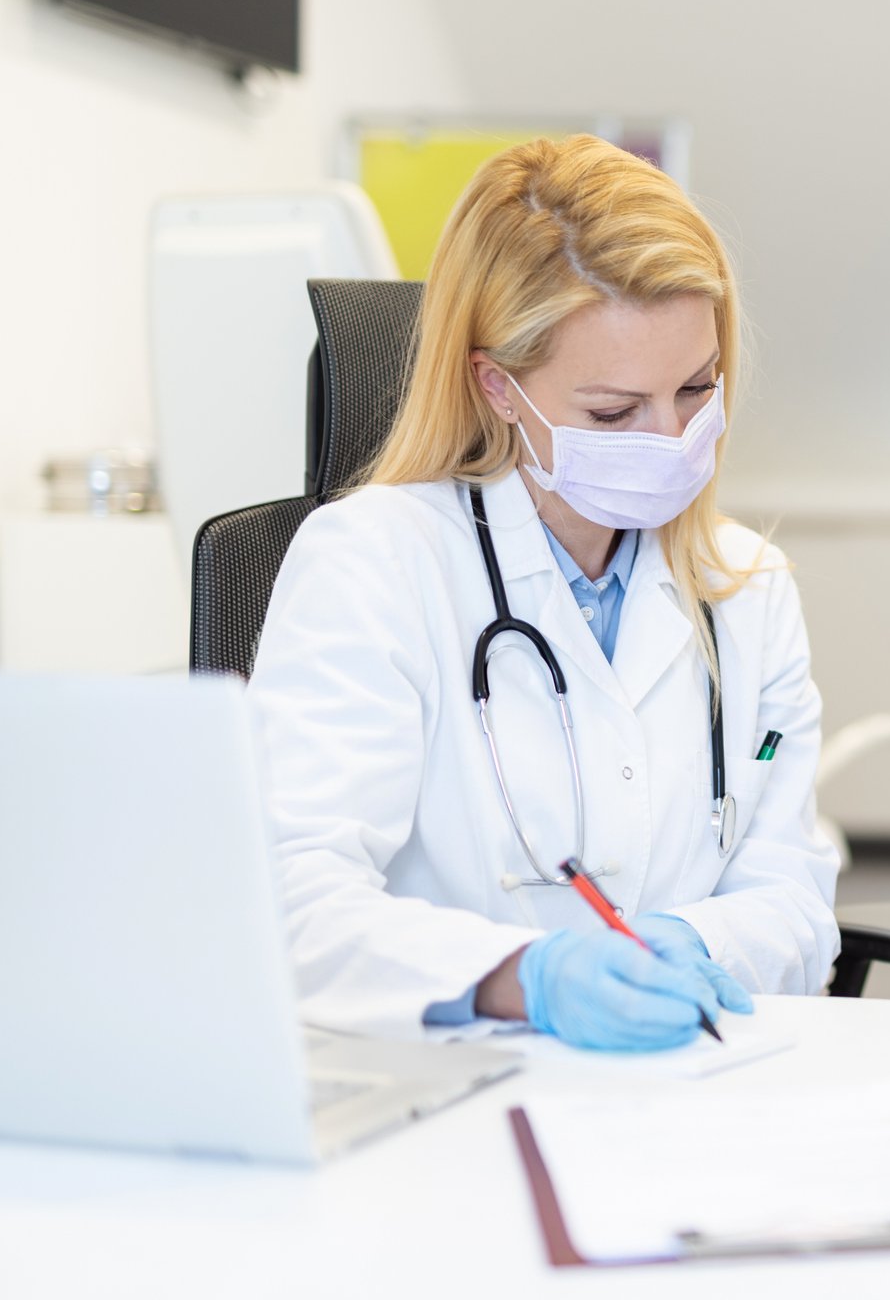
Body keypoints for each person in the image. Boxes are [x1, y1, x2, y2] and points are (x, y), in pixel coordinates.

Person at [249, 135, 839, 1050]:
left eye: (696, 388)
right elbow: (290, 899)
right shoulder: (373, 564)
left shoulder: (746, 590)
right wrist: (523, 978)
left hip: (691, 1081)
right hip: (448, 1086)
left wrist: (689, 941)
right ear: (497, 387)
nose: (672, 437)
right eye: (614, 411)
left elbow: (796, 885)